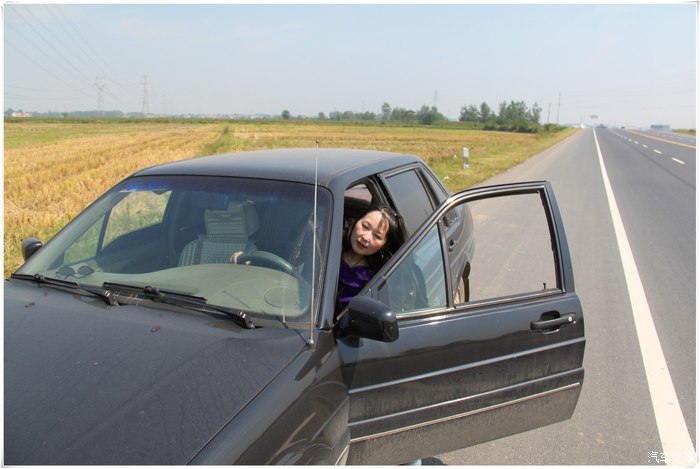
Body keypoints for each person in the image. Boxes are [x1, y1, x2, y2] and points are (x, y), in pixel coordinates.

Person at [336, 204, 400, 315]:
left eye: (377, 236)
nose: (366, 238)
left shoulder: (377, 281)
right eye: (365, 226)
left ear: (384, 245)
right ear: (356, 221)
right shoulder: (325, 243)